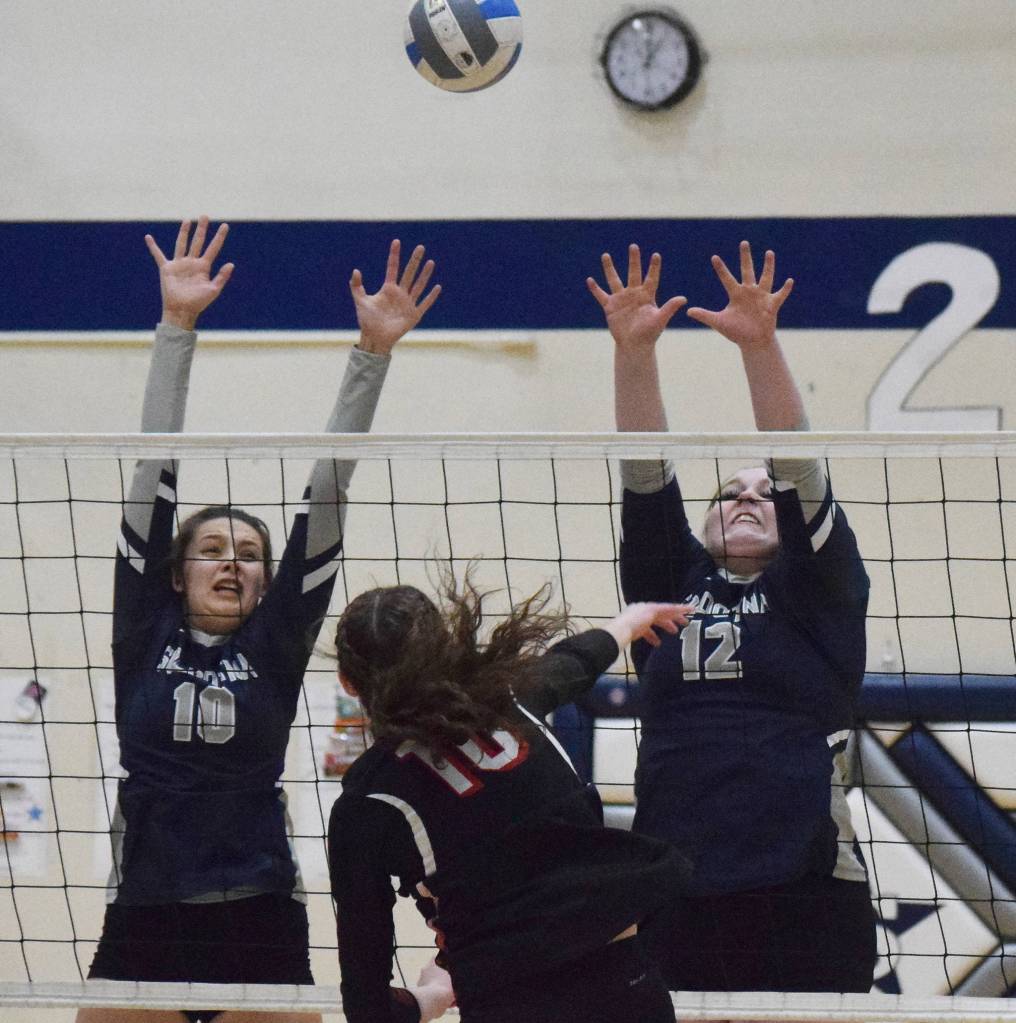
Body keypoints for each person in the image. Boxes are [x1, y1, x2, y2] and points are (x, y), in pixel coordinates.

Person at [79, 218, 441, 1023]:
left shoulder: (275, 644)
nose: (232, 562)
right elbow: (154, 466)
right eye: (212, 548)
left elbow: (328, 493)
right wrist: (176, 328)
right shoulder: (144, 629)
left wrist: (371, 354)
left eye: (249, 552)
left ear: (269, 580)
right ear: (176, 574)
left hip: (257, 907)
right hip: (145, 903)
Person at [586, 241, 878, 995]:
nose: (746, 497)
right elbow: (645, 466)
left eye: (761, 493)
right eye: (728, 491)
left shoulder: (819, 588)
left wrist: (761, 346)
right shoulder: (668, 580)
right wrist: (633, 352)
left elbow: (798, 467)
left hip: (805, 886)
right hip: (676, 881)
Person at [327, 579, 696, 1023]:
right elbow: (575, 659)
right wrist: (631, 620)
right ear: (447, 651)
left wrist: (432, 995)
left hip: (508, 998)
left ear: (348, 682)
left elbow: (367, 1008)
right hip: (623, 984)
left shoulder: (367, 801)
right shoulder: (515, 698)